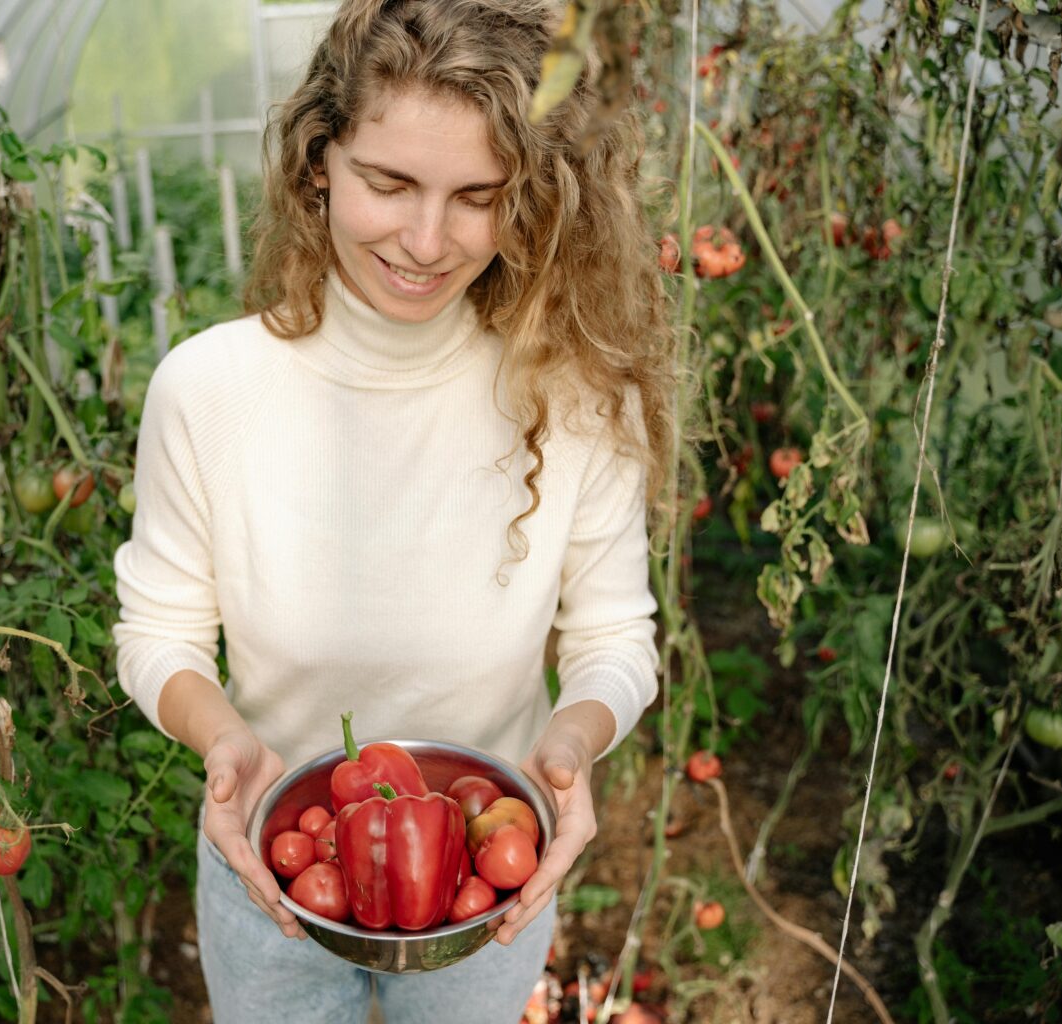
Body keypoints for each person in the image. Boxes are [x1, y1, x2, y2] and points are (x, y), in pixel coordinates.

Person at [111, 1, 671, 1020]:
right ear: (319, 160)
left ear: (532, 198)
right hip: (273, 873)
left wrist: (572, 746)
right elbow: (158, 632)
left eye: (477, 196)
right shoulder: (208, 388)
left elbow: (614, 636)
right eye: (389, 182)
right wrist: (223, 739)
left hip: (483, 884)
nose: (426, 239)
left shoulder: (579, 396)